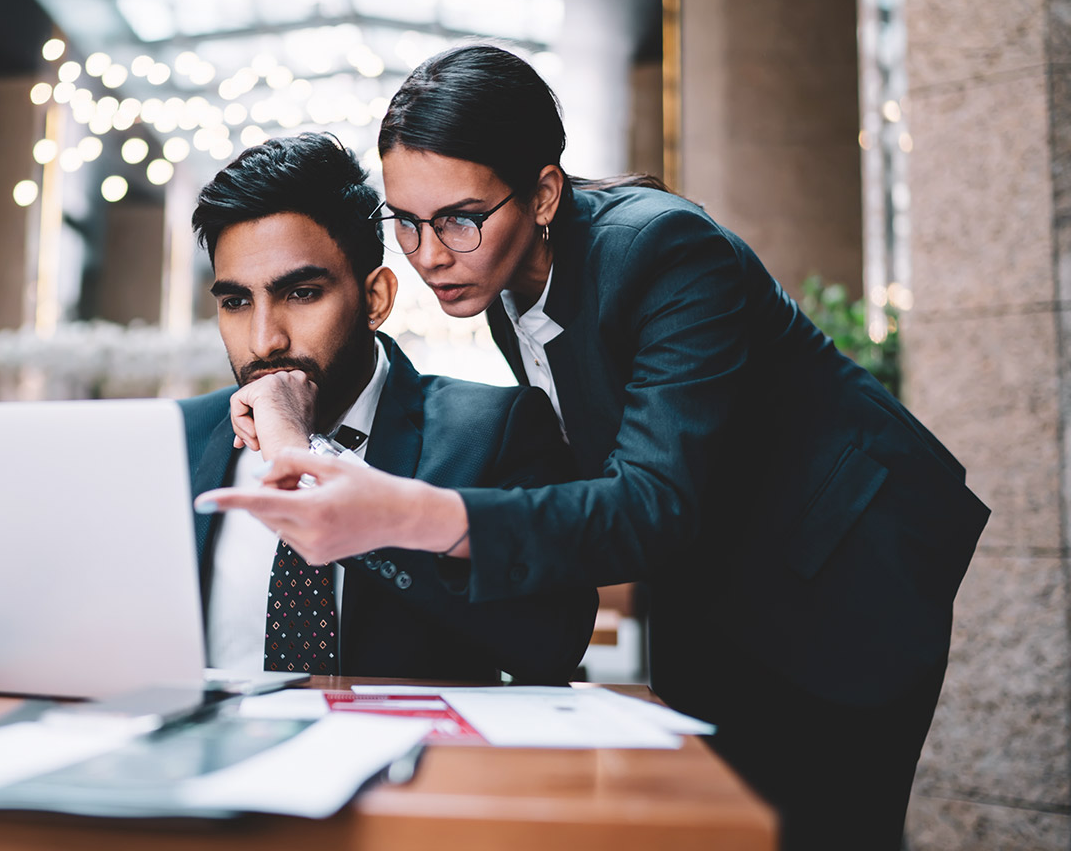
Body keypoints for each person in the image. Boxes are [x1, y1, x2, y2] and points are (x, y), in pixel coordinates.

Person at [196, 47, 990, 849]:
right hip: (713, 567)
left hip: (847, 563)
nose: (431, 253)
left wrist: (404, 511)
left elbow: (649, 498)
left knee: (822, 827)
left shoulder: (666, 249)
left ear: (543, 193)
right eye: (406, 221)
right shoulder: (504, 285)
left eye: (459, 217)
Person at [182, 132, 596, 682]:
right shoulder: (179, 439)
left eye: (302, 293)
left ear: (375, 298)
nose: (264, 341)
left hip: (416, 764)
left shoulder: (495, 430)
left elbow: (551, 643)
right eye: (236, 302)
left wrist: (309, 461)